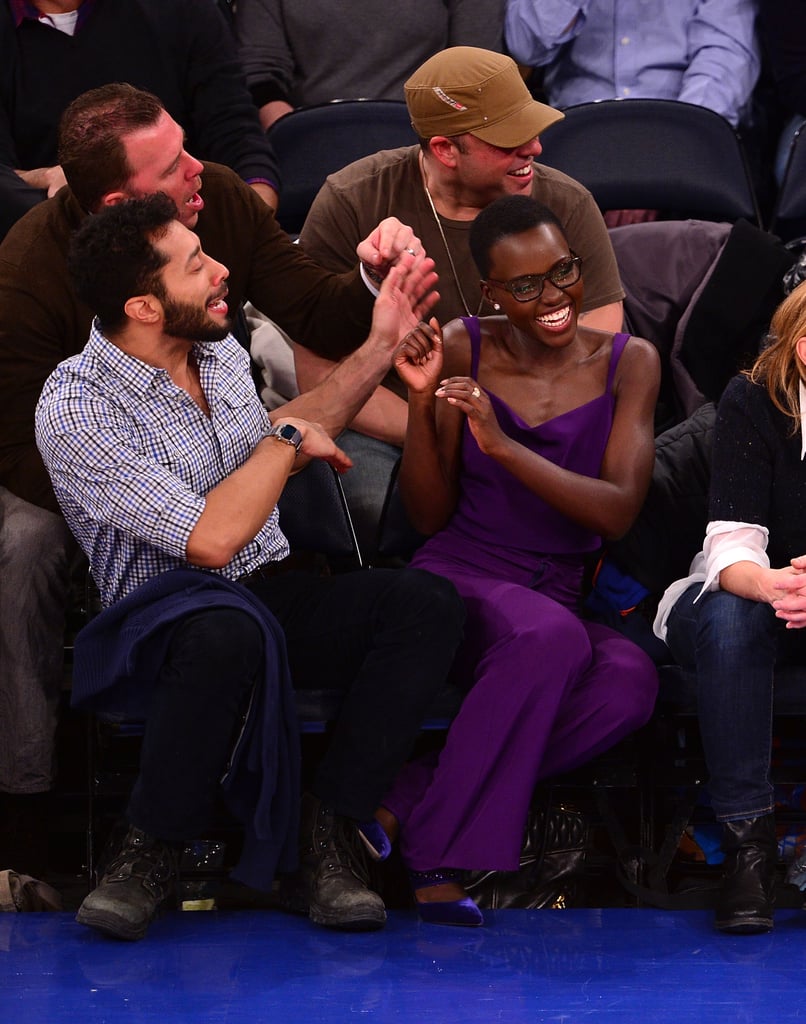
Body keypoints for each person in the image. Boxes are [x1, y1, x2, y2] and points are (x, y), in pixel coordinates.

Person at [0, 82, 429, 878]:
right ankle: (30, 804)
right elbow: (201, 527)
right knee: (24, 550)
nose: (200, 170)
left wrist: (377, 317)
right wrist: (149, 492)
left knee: (422, 603)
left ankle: (331, 830)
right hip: (81, 482)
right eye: (173, 167)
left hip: (231, 545)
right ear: (121, 203)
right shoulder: (28, 275)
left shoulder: (222, 332)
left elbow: (307, 327)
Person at [33, 193, 465, 940]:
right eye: (197, 264)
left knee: (424, 605)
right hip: (160, 620)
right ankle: (149, 849)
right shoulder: (75, 406)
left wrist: (380, 343)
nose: (222, 270)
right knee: (222, 633)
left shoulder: (221, 351)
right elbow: (209, 541)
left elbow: (285, 435)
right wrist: (285, 443)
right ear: (143, 304)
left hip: (267, 592)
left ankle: (326, 835)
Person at [369, 194, 659, 925]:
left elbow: (617, 508)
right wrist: (421, 403)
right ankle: (433, 854)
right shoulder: (463, 345)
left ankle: (407, 798)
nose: (555, 296)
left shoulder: (632, 363)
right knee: (548, 639)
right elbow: (429, 513)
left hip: (558, 591)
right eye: (525, 285)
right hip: (461, 576)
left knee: (629, 683)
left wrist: (503, 446)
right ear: (491, 293)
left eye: (563, 271)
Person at [295, 46, 625, 546]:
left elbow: (600, 350)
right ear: (446, 149)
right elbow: (316, 371)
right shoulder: (352, 200)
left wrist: (507, 438)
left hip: (534, 422)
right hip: (396, 423)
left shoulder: (566, 203)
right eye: (510, 138)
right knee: (368, 505)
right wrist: (440, 434)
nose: (534, 148)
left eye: (531, 129)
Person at [654, 279, 806, 934]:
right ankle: (748, 849)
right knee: (731, 615)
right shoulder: (755, 401)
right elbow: (731, 551)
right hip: (743, 598)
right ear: (804, 350)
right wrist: (785, 588)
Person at [0, 0, 282, 240]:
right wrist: (52, 177)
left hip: (195, 234)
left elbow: (237, 134)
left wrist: (251, 223)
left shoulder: (181, 9)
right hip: (62, 244)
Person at [234, 0, 505, 130]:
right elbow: (261, 75)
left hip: (428, 133)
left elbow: (475, 69)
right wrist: (297, 136)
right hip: (313, 133)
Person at [504, 0, 760, 129]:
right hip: (580, 126)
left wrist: (665, 156)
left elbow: (725, 61)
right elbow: (527, 47)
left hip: (680, 126)